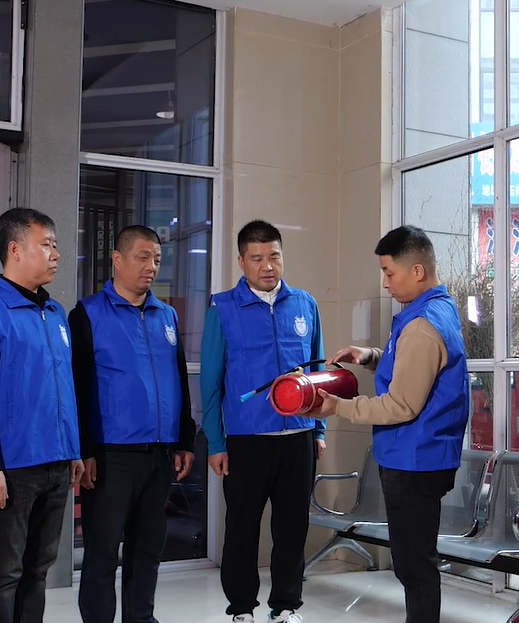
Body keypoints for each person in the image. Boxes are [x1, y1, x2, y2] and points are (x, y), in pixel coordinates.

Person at [312, 225, 470, 623]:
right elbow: (415, 369)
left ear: (416, 271)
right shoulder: (437, 309)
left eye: (389, 272)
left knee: (414, 566)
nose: (385, 283)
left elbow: (401, 405)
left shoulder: (421, 325)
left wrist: (338, 407)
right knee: (415, 561)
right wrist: (370, 356)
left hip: (414, 458)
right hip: (425, 454)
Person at [0, 208, 84, 623]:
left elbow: (63, 388)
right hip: (11, 469)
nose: (56, 254)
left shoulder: (56, 313)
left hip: (56, 463)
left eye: (55, 245)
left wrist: (73, 449)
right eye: (46, 245)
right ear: (14, 250)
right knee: (2, 573)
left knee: (37, 570)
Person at [201, 219, 326, 623]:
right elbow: (210, 383)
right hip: (246, 439)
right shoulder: (223, 308)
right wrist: (216, 442)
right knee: (242, 528)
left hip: (298, 437)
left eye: (274, 256)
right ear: (241, 261)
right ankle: (241, 608)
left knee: (292, 528)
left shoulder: (305, 304)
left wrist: (319, 430)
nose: (267, 266)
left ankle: (286, 605)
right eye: (256, 258)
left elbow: (317, 372)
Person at [71, 226, 197, 623]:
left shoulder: (167, 315)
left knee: (148, 549)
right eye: (143, 257)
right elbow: (78, 387)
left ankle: (141, 618)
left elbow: (178, 379)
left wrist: (184, 440)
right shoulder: (87, 314)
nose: (151, 267)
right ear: (117, 259)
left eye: (157, 259)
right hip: (111, 455)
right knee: (103, 551)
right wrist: (85, 450)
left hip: (159, 453)